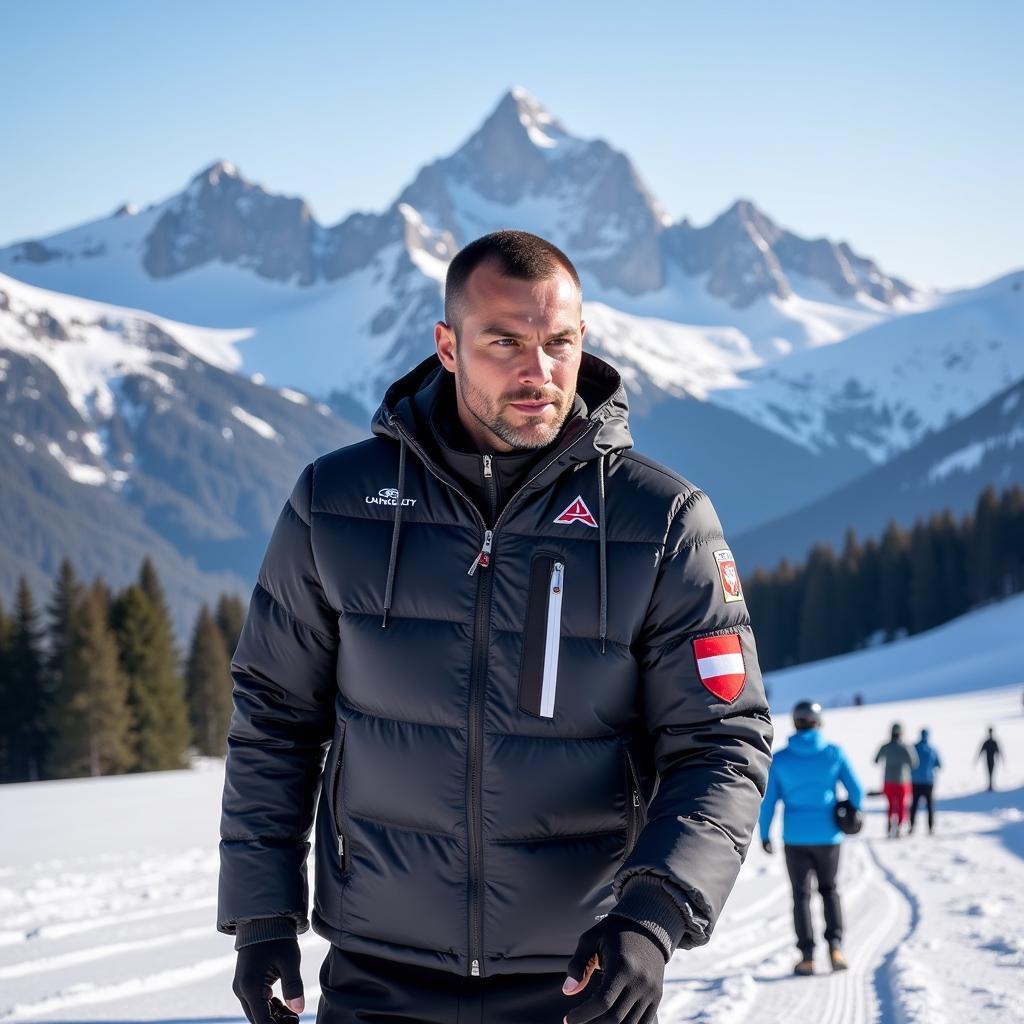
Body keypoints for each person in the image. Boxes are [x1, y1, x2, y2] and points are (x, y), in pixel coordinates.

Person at [217, 230, 774, 1024]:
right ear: (448, 346)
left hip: (583, 977)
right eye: (504, 342)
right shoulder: (334, 502)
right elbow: (275, 717)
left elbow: (722, 738)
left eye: (559, 343)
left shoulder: (663, 521)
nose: (537, 372)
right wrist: (262, 912)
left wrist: (654, 914)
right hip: (377, 976)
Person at [758, 700, 863, 977]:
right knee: (829, 890)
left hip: (795, 836)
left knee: (801, 896)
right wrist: (849, 811)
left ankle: (806, 957)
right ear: (819, 723)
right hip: (829, 835)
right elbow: (856, 790)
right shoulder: (833, 754)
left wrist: (765, 833)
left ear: (795, 723)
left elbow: (769, 802)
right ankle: (836, 948)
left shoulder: (780, 759)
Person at [874, 723, 917, 838]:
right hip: (903, 781)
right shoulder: (906, 747)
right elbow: (914, 763)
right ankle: (898, 827)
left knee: (891, 805)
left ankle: (889, 826)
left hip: (888, 781)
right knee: (902, 805)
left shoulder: (885, 746)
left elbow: (876, 760)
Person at [909, 728, 941, 835]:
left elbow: (909, 763)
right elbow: (939, 764)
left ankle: (912, 826)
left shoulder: (914, 748)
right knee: (930, 805)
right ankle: (931, 827)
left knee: (914, 804)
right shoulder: (932, 750)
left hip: (915, 781)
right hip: (928, 781)